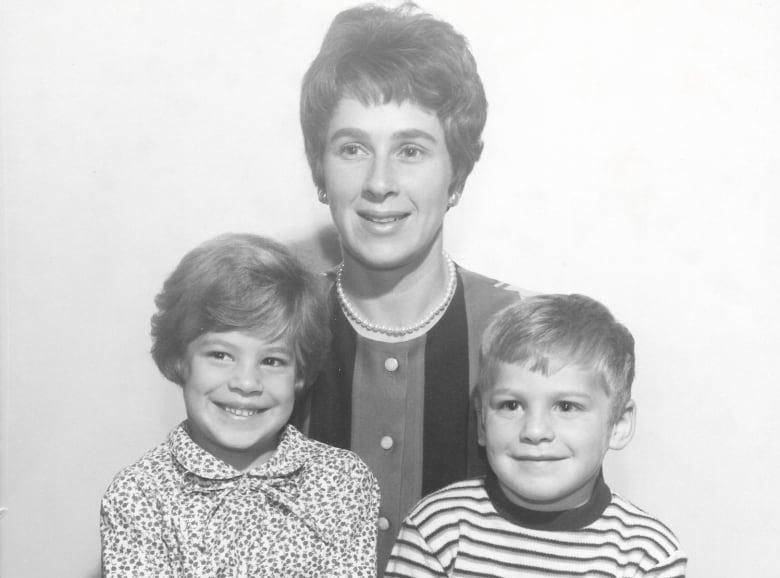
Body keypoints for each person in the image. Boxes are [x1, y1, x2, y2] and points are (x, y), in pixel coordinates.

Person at [296, 2, 528, 567]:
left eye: (411, 150)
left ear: (458, 174)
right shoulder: (276, 329)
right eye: (352, 148)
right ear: (319, 170)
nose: (379, 182)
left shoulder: (520, 337)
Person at [100, 233, 380, 577]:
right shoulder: (139, 495)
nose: (247, 383)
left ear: (301, 374)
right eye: (220, 355)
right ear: (179, 360)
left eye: (273, 361)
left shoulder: (344, 482)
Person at [386, 294, 688, 577]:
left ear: (619, 424)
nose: (534, 431)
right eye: (511, 405)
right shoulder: (438, 530)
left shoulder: (646, 555)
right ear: (481, 422)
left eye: (566, 406)